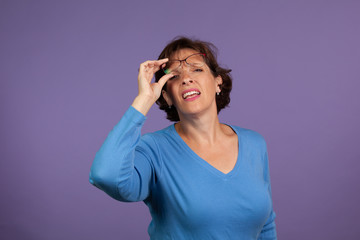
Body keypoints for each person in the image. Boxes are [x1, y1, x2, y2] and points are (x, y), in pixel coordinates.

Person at [89, 37, 277, 239]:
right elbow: (105, 175)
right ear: (167, 96)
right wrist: (143, 101)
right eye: (174, 76)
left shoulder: (254, 144)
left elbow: (266, 226)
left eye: (196, 69)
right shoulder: (154, 150)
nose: (186, 78)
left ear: (217, 82)